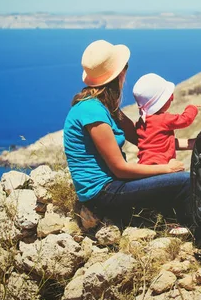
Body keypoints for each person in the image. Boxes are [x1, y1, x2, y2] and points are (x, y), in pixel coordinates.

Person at [63, 40, 191, 228]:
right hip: (103, 193)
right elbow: (120, 168)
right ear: (119, 74)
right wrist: (167, 169)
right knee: (185, 180)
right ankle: (197, 235)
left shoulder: (107, 106)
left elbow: (144, 140)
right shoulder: (93, 112)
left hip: (112, 186)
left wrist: (191, 143)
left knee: (175, 179)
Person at [133, 73, 198, 165]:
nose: (172, 99)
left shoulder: (141, 123)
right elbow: (185, 120)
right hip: (161, 163)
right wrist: (192, 108)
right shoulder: (164, 119)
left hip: (144, 165)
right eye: (170, 97)